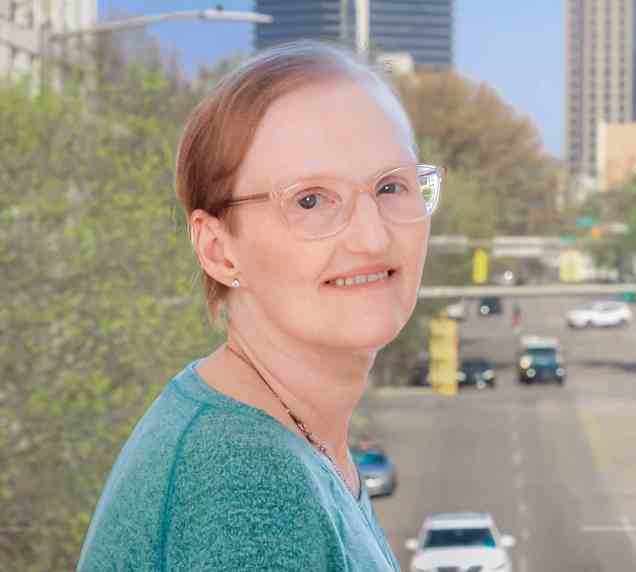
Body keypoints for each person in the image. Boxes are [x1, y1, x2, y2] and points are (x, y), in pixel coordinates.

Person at [77, 41, 442, 571]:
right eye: (311, 200)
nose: (371, 236)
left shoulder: (279, 437)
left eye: (391, 186)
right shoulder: (249, 487)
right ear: (218, 250)